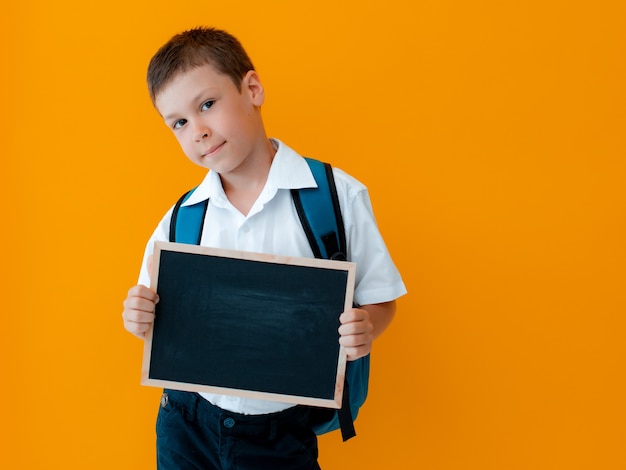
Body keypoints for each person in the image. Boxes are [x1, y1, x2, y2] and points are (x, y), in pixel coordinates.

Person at [122, 26, 406, 469]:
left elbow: (381, 301)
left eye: (207, 105)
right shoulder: (181, 218)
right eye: (179, 122)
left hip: (282, 432)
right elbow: (153, 313)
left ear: (252, 89)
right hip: (186, 421)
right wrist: (138, 316)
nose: (197, 130)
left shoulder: (335, 197)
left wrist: (365, 329)